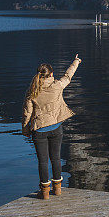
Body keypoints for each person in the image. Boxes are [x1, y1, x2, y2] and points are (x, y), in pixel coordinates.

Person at [22, 55, 81, 199]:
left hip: (39, 130)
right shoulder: (57, 86)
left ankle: (45, 192)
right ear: (52, 74)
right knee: (56, 158)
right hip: (56, 128)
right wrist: (76, 61)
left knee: (43, 161)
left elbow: (26, 113)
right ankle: (58, 188)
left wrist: (25, 129)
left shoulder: (32, 91)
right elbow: (68, 76)